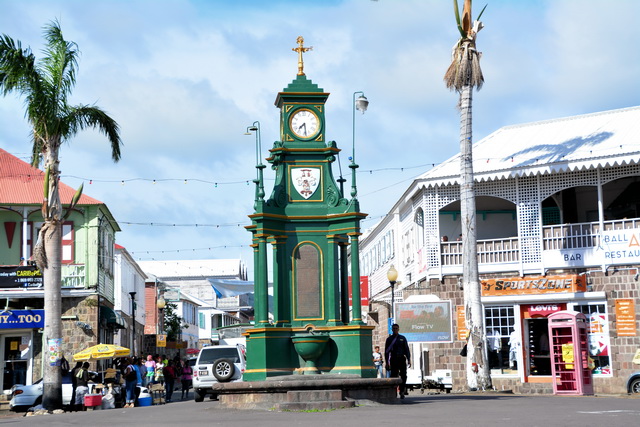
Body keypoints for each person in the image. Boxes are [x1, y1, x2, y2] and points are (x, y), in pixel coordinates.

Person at [385, 323, 411, 399]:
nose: (395, 330)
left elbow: (406, 349)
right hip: (394, 359)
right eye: (394, 328)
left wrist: (409, 359)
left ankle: (402, 391)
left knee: (403, 375)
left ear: (398, 329)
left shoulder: (402, 338)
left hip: (402, 359)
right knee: (394, 375)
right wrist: (387, 362)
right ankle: (394, 392)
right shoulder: (389, 339)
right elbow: (386, 352)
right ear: (392, 329)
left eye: (396, 328)